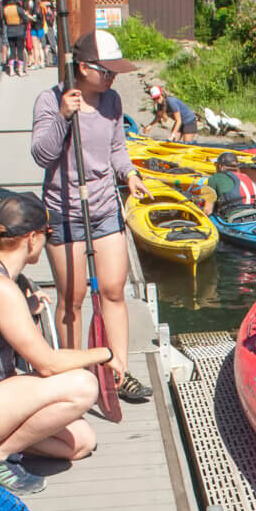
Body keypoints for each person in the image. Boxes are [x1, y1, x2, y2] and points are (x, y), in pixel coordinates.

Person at [0, 193, 118, 495]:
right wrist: (107, 354)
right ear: (32, 239)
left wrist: (26, 307)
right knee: (83, 386)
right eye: (47, 235)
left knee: (81, 442)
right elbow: (47, 364)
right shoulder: (0, 288)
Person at [31, 29, 154, 404]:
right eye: (107, 70)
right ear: (83, 68)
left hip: (103, 210)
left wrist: (129, 175)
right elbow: (41, 155)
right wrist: (65, 117)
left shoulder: (113, 101)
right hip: (65, 212)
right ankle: (77, 375)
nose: (113, 77)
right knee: (74, 297)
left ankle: (119, 369)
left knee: (114, 291)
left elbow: (118, 149)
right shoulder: (50, 100)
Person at [202, 152, 256, 219]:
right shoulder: (246, 176)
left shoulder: (214, 178)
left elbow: (207, 211)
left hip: (234, 217)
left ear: (220, 166)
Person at [1, 0, 34, 76]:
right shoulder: (18, 9)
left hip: (9, 31)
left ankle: (11, 71)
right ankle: (20, 71)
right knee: (20, 50)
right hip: (19, 30)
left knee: (12, 50)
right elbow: (25, 19)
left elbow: (4, 20)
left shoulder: (5, 9)